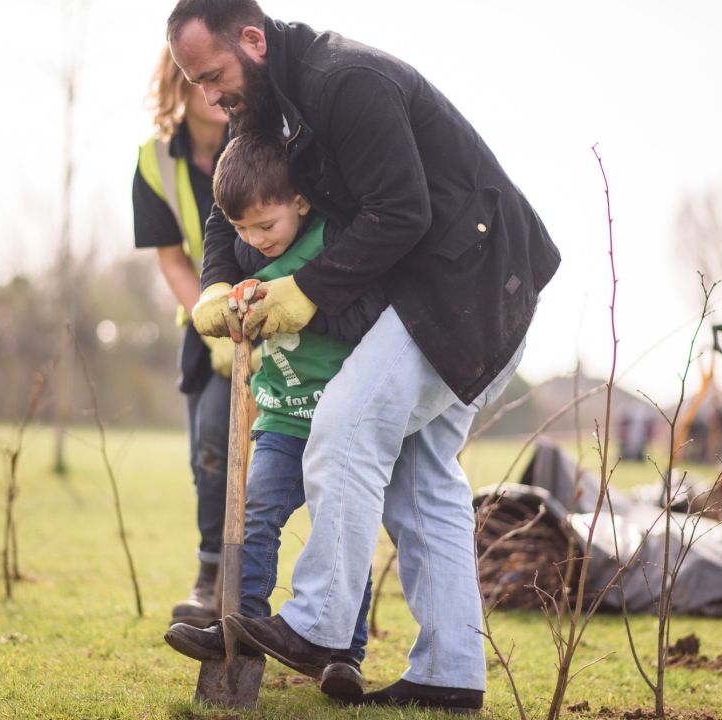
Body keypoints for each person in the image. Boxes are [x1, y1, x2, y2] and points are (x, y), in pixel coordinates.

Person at [169, 0, 561, 712]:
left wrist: (303, 292)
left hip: (474, 288)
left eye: (212, 75)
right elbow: (233, 202)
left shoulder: (346, 81)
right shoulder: (263, 101)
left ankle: (318, 628)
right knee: (421, 481)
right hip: (444, 290)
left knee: (344, 426)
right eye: (196, 83)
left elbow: (401, 211)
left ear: (252, 40)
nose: (208, 96)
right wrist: (217, 287)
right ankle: (450, 674)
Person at [163, 131, 385, 700]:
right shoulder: (243, 253)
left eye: (267, 226)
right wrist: (222, 300)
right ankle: (242, 632)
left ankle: (345, 655)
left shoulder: (332, 245)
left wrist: (299, 311)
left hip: (339, 423)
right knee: (254, 516)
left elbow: (362, 319)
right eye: (241, 229)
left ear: (301, 203)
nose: (255, 241)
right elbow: (220, 261)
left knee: (340, 537)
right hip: (282, 420)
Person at [132, 44, 232, 628]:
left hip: (271, 314)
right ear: (179, 82)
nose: (215, 91)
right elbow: (171, 259)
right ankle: (211, 578)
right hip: (203, 325)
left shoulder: (257, 138)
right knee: (206, 459)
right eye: (203, 78)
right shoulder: (154, 161)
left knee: (229, 447)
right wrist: (209, 319)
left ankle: (223, 580)